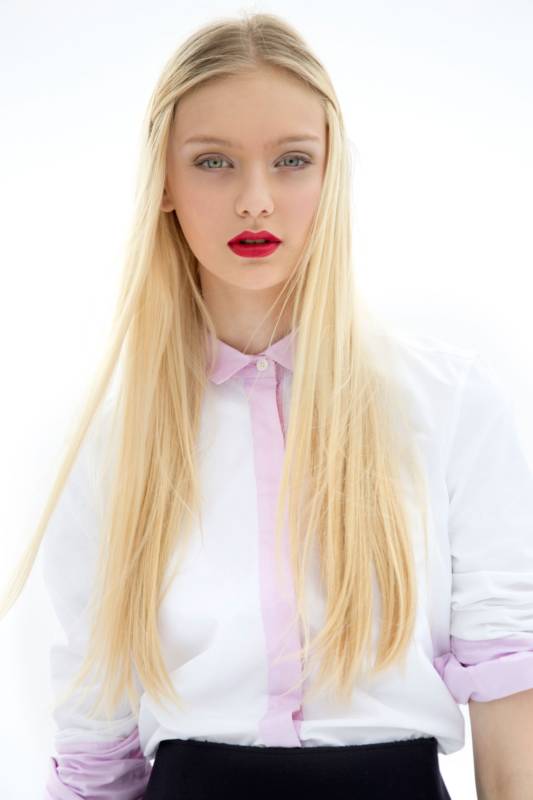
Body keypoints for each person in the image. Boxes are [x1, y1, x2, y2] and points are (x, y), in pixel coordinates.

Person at [1, 11, 532, 800]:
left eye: (291, 160)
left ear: (330, 174)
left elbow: (508, 677)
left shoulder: (449, 404)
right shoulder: (113, 447)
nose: (255, 200)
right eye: (213, 162)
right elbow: (95, 750)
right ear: (165, 183)